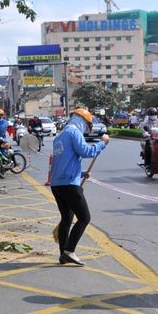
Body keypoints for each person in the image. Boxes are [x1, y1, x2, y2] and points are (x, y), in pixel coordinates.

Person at [50, 108, 109, 266]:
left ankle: (63, 254)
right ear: (83, 122)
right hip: (69, 184)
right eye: (88, 126)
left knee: (67, 218)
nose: (87, 129)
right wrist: (102, 143)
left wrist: (81, 173)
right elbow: (86, 151)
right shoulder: (74, 132)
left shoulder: (60, 136)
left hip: (57, 184)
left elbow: (65, 162)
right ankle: (70, 251)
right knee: (84, 217)